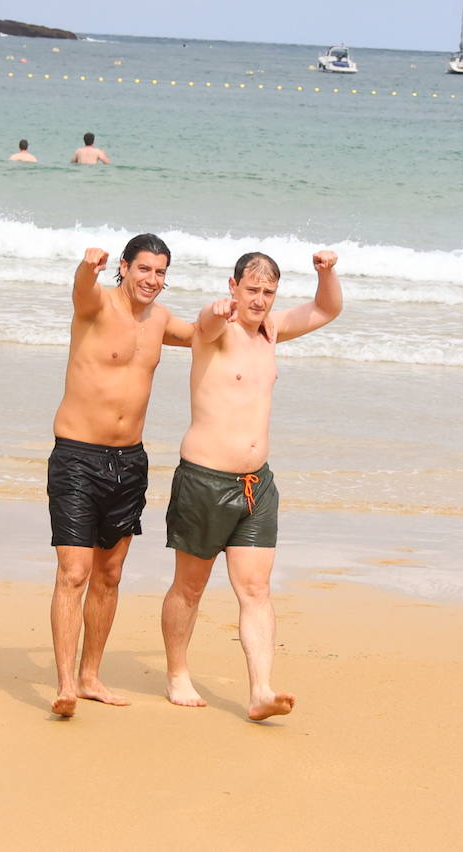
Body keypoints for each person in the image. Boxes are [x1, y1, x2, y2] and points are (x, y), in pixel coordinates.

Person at [160, 249, 343, 722]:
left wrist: (326, 273)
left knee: (256, 589)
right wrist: (215, 311)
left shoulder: (272, 330)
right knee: (190, 587)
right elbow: (205, 322)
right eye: (251, 290)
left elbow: (327, 310)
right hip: (203, 481)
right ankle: (177, 673)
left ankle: (261, 689)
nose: (259, 300)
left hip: (256, 485)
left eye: (268, 292)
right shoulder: (213, 333)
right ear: (233, 286)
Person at [47, 234, 195, 717]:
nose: (151, 280)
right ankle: (66, 684)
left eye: (160, 272)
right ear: (125, 268)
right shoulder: (96, 306)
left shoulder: (161, 321)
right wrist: (85, 267)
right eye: (143, 269)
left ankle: (91, 676)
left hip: (128, 462)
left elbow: (206, 336)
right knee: (74, 572)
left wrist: (237, 308)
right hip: (76, 458)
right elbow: (80, 291)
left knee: (109, 575)